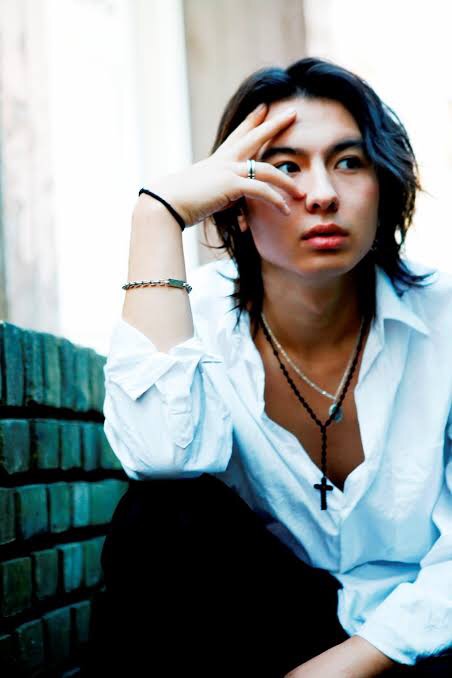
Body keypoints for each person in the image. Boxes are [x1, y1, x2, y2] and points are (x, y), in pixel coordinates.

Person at [82, 57, 452, 677]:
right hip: (271, 622)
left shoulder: (443, 319)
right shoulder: (196, 317)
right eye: (285, 167)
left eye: (349, 162)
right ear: (236, 203)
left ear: (383, 188)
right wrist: (158, 216)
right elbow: (160, 459)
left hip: (421, 638)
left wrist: (347, 665)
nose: (322, 194)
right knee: (161, 515)